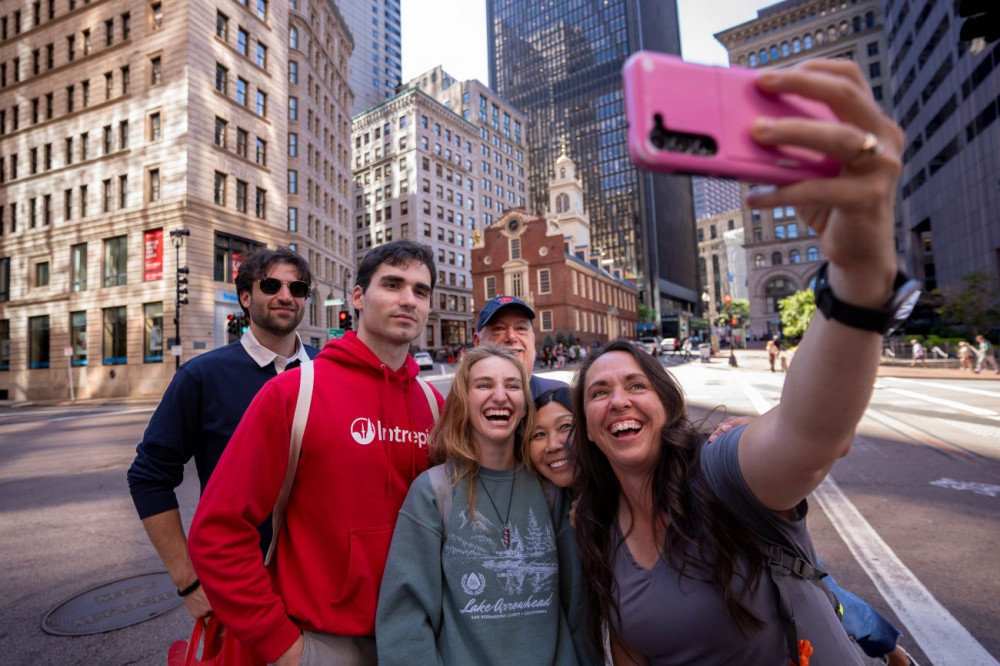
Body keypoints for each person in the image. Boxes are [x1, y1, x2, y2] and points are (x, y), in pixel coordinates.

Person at [571, 60, 913, 664]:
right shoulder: (595, 530)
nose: (618, 399)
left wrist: (859, 279)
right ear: (588, 428)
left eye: (634, 384)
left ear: (665, 403)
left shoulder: (721, 475)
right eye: (598, 393)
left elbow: (811, 434)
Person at [187, 240, 443, 666]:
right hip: (322, 642)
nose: (408, 300)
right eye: (393, 284)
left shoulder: (436, 405)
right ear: (358, 297)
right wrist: (283, 646)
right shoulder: (292, 394)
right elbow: (217, 532)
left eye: (420, 290)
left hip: (419, 639)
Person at [530, 389, 915, 666]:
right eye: (537, 435)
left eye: (565, 427)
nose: (557, 444)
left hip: (765, 573)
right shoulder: (560, 503)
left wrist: (759, 433)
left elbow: (801, 433)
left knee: (827, 594)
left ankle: (892, 651)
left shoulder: (640, 476)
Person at [126, 247, 319, 619]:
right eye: (271, 285)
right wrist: (188, 582)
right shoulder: (201, 377)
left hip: (323, 584)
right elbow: (149, 477)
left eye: (297, 287)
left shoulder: (328, 369)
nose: (285, 296)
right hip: (242, 587)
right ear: (245, 297)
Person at [376, 346, 578, 665]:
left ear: (525, 406)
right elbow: (405, 620)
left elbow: (577, 608)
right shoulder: (434, 492)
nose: (500, 395)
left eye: (512, 385)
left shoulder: (550, 489)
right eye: (484, 385)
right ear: (463, 403)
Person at [473, 295, 566, 397]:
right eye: (499, 329)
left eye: (521, 328)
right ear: (477, 342)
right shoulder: (460, 403)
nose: (511, 336)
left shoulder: (561, 397)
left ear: (533, 340)